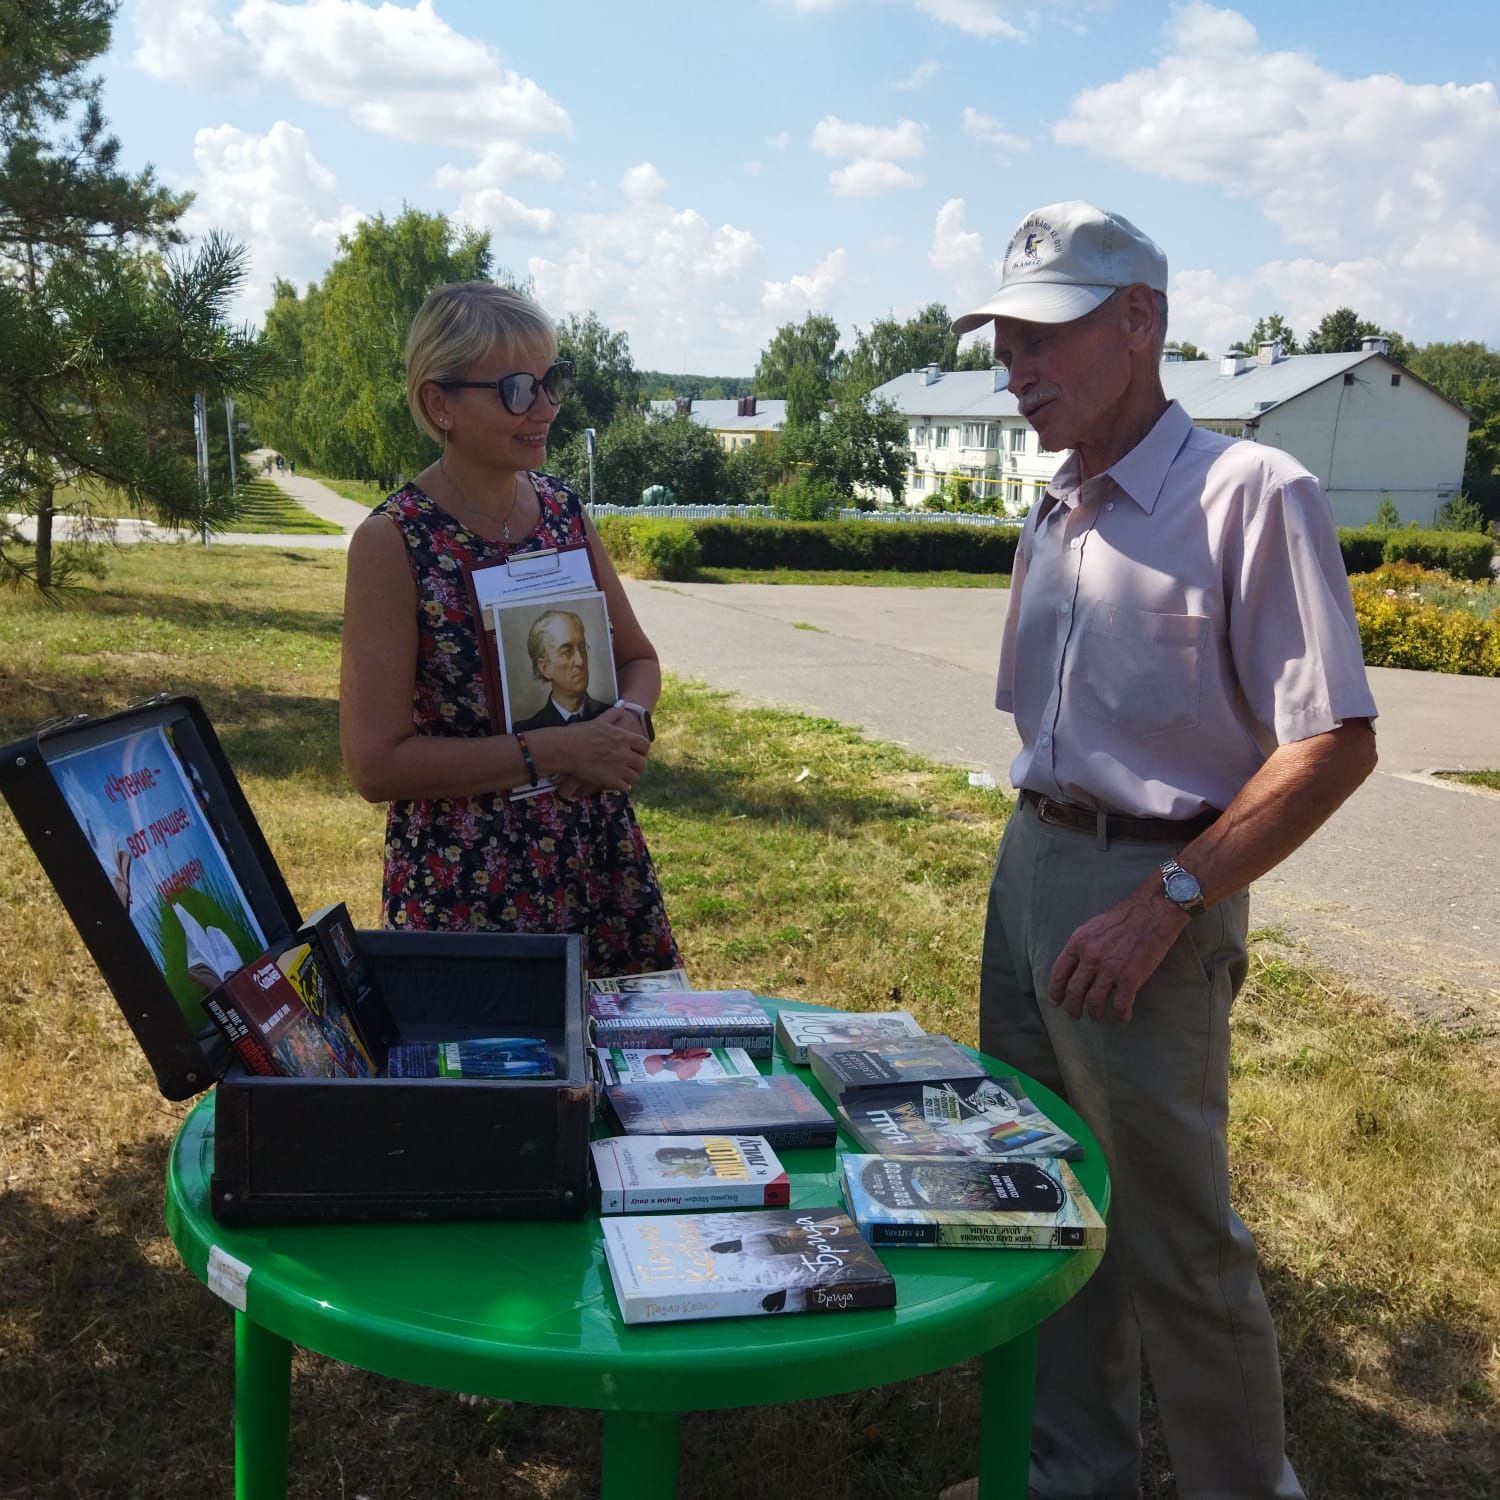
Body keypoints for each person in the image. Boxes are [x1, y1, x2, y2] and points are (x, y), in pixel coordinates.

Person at [947, 202, 1378, 1499]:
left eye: (1044, 338)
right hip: (1032, 869)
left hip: (1153, 886)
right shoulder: (1060, 506)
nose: (1016, 370)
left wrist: (1171, 897)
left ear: (1140, 321)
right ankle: (1072, 1472)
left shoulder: (1252, 494)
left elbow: (1335, 741)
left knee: (1176, 1238)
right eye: (1005, 342)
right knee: (1042, 1199)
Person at [339, 281, 680, 977]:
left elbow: (639, 660)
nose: (547, 408)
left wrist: (628, 723)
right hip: (469, 886)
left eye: (552, 381)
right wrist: (556, 751)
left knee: (632, 1080)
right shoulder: (393, 542)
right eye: (518, 390)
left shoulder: (562, 510)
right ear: (441, 404)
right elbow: (375, 765)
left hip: (595, 858)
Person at [511, 609, 612, 729]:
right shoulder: (527, 732)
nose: (580, 661)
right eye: (567, 651)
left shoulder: (613, 715)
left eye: (582, 648)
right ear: (545, 667)